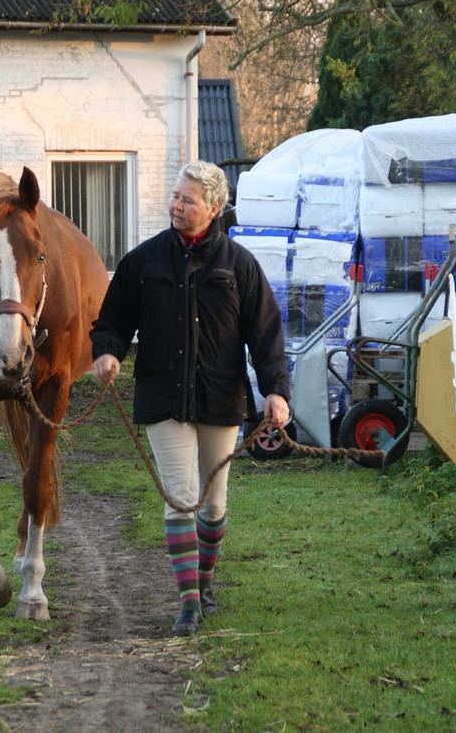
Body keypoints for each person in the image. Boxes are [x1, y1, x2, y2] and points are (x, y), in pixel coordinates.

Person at [90, 160, 291, 637]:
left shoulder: (239, 265)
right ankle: (188, 604)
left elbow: (265, 333)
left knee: (213, 505)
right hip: (162, 396)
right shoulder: (143, 262)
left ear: (214, 208)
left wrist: (276, 391)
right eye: (175, 197)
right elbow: (112, 320)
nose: (176, 206)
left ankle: (205, 581)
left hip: (220, 397)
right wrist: (108, 352)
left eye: (188, 200)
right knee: (180, 499)